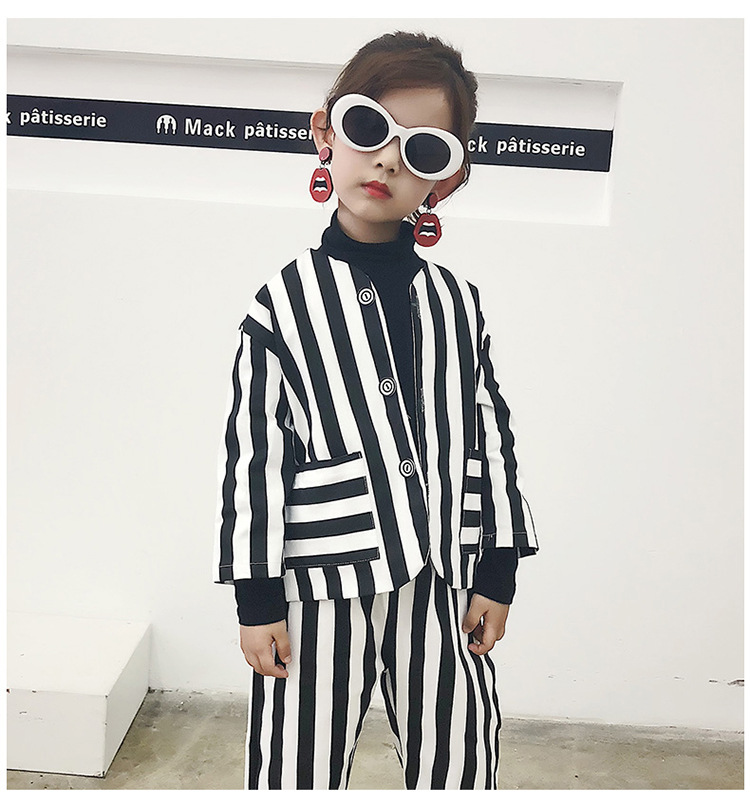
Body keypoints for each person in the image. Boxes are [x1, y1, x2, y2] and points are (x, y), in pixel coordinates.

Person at [214, 30, 539, 790]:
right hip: (320, 585)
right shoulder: (282, 305)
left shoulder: (457, 304)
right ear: (326, 133)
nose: (389, 160)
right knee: (297, 762)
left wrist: (498, 570)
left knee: (462, 756)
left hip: (443, 578)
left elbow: (490, 435)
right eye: (368, 128)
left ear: (445, 180)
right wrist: (256, 599)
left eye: (422, 149)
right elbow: (255, 460)